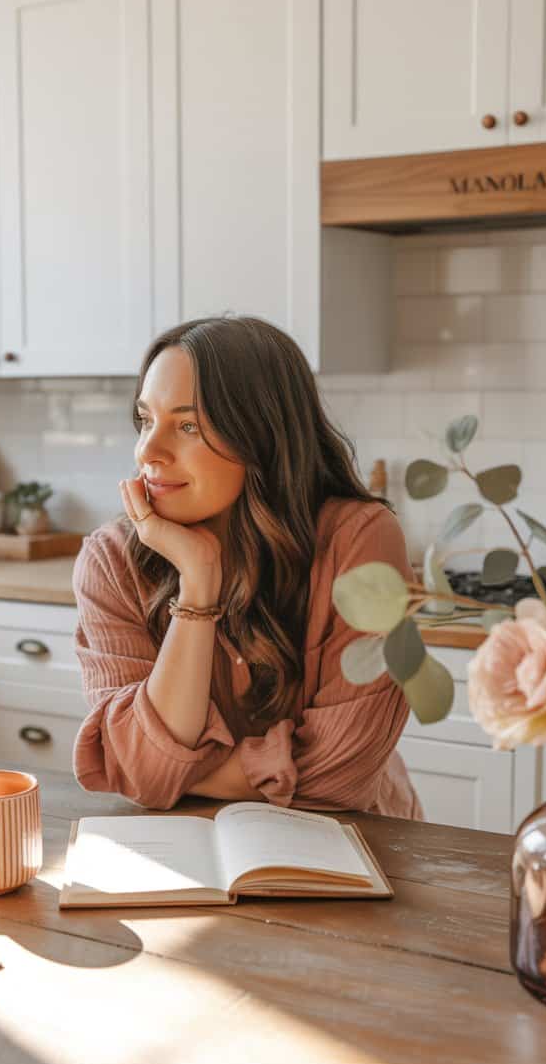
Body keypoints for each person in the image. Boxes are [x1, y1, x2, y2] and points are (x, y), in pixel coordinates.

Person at [72, 315, 423, 819]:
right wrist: (198, 584)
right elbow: (139, 774)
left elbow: (340, 778)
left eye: (187, 426)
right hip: (178, 853)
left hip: (352, 850)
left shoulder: (357, 539)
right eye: (146, 420)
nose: (148, 451)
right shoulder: (112, 560)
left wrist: (182, 771)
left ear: (261, 436)